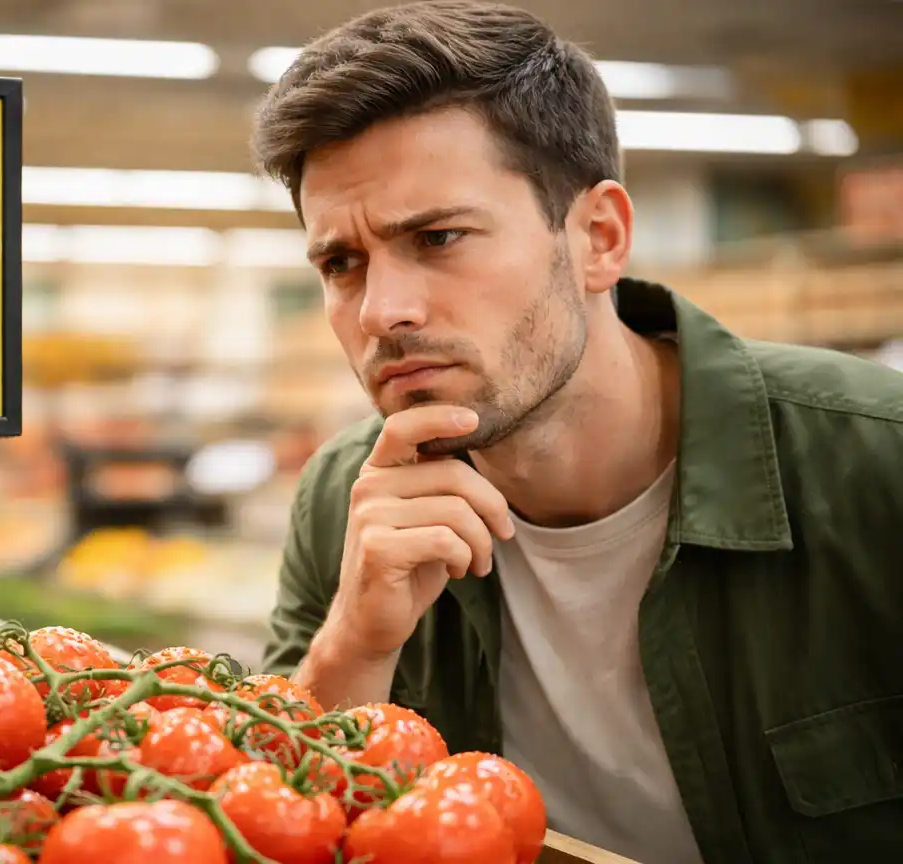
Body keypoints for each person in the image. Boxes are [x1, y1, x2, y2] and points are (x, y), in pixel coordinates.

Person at [250, 3, 903, 862]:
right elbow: (272, 820)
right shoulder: (347, 498)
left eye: (439, 237)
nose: (381, 311)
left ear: (599, 238)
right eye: (342, 263)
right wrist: (356, 647)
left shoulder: (874, 465)